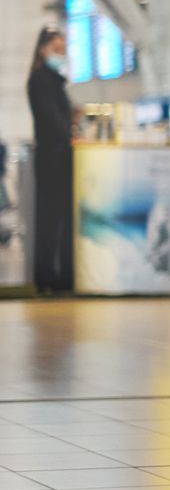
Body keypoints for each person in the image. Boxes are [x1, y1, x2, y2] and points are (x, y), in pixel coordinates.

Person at [26, 26, 73, 294]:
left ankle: (59, 276)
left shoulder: (54, 79)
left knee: (60, 219)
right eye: (57, 49)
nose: (61, 54)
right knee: (50, 219)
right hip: (51, 159)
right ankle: (46, 276)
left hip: (59, 157)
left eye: (63, 49)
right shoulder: (40, 80)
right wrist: (68, 134)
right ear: (44, 50)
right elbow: (51, 120)